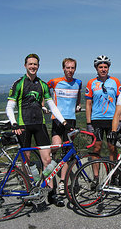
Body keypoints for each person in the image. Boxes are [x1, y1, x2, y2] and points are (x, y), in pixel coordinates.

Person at [6, 53, 71, 206]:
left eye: (35, 64)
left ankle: (51, 193)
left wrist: (63, 122)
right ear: (25, 66)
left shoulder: (42, 84)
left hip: (40, 125)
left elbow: (51, 105)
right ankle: (30, 192)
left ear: (38, 66)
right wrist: (14, 123)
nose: (33, 67)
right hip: (23, 126)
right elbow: (10, 106)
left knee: (47, 160)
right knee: (26, 161)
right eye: (30, 64)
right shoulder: (18, 83)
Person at [47, 58, 82, 195]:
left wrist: (78, 105)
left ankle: (62, 182)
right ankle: (48, 171)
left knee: (67, 151)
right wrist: (44, 105)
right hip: (57, 119)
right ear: (63, 68)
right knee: (55, 147)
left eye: (72, 68)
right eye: (67, 68)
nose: (70, 70)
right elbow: (45, 91)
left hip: (71, 120)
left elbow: (78, 94)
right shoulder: (54, 81)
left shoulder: (78, 82)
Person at [85, 55, 121, 161]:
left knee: (112, 148)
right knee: (96, 148)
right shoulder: (91, 82)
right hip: (97, 119)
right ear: (96, 68)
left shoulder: (115, 81)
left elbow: (120, 102)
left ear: (108, 68)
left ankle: (114, 175)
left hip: (112, 119)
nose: (103, 69)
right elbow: (88, 104)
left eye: (105, 67)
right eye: (100, 67)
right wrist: (88, 123)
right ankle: (96, 176)